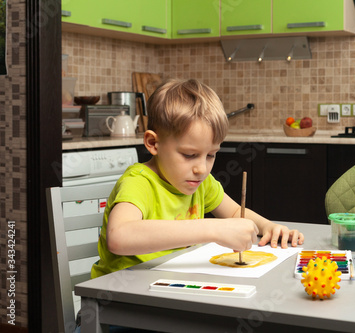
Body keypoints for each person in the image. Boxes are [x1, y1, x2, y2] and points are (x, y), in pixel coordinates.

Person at [91, 78, 304, 278]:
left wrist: (267, 226)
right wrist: (212, 229)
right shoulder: (139, 182)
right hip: (122, 300)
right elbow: (119, 237)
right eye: (189, 155)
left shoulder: (200, 182)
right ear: (153, 143)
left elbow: (233, 212)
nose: (201, 169)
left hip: (167, 285)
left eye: (211, 155)